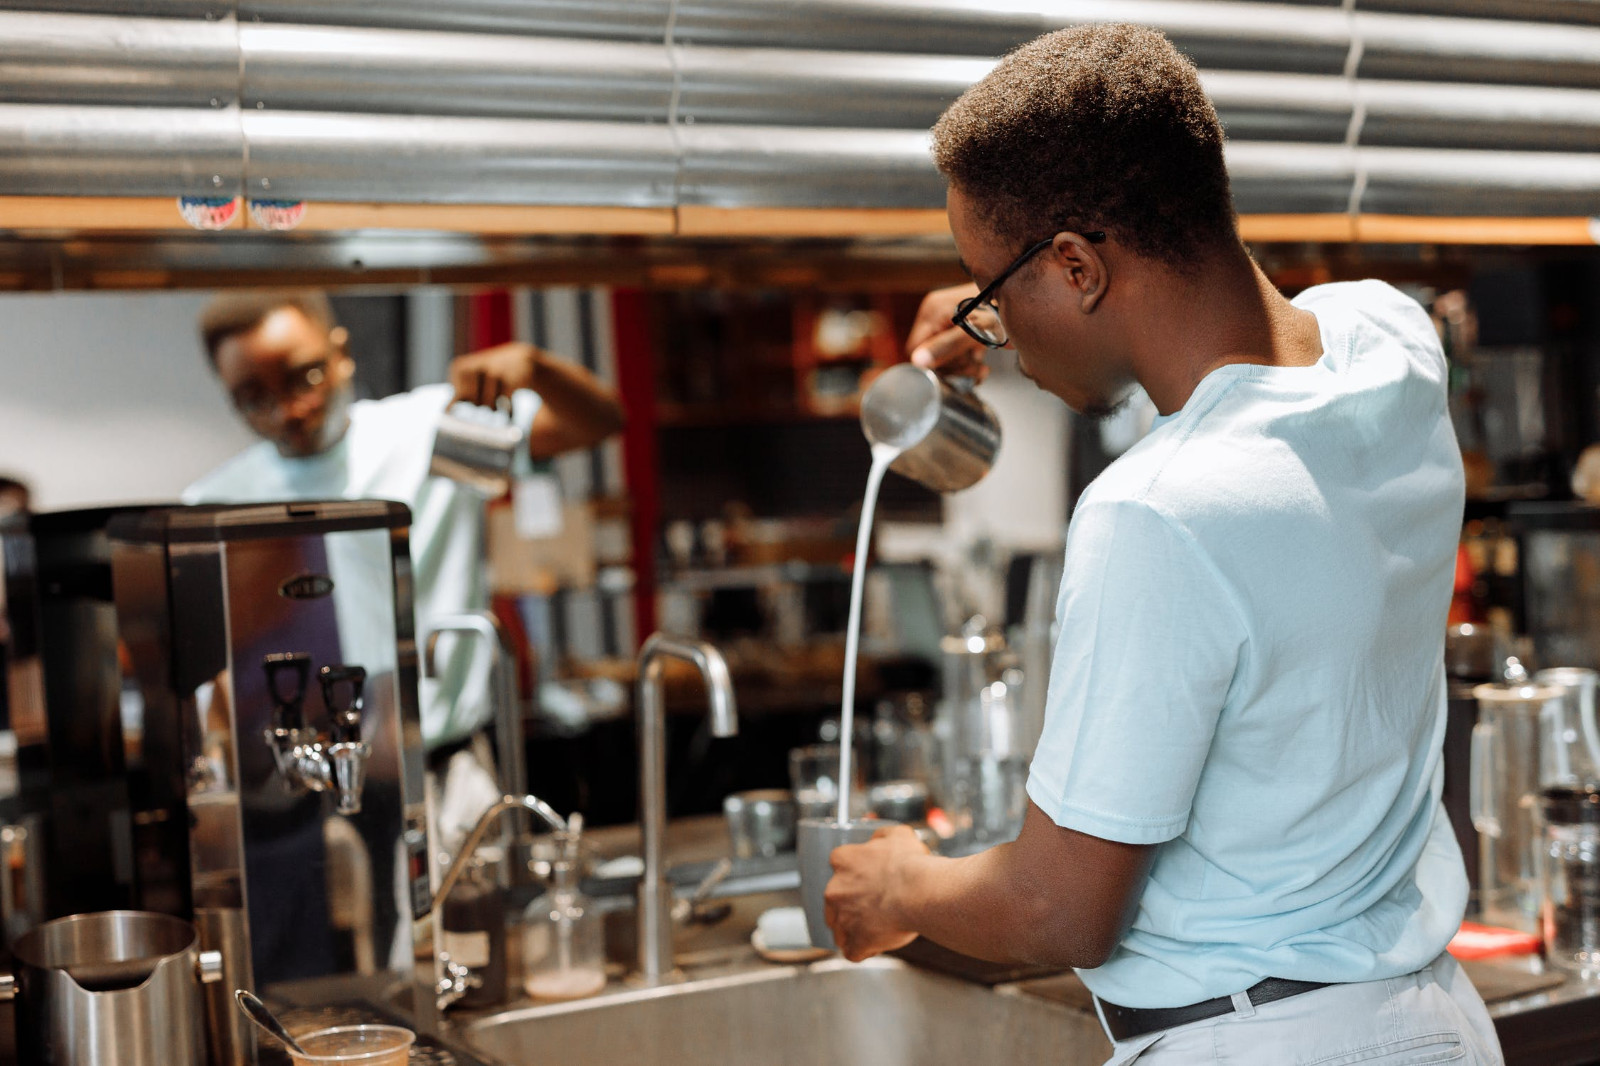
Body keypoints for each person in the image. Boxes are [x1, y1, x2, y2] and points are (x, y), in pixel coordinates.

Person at [821, 24, 1503, 1066]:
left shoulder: (1152, 513)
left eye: (988, 293)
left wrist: (899, 885)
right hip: (1429, 1022)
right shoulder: (1392, 346)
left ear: (1078, 265)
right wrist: (1006, 301)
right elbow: (1241, 385)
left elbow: (1058, 908)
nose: (993, 332)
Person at [184, 290, 624, 754]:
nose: (287, 410)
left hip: (442, 760)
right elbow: (209, 672)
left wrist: (535, 368)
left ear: (342, 353)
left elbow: (598, 422)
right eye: (254, 397)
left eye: (304, 377)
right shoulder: (216, 504)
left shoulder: (429, 433)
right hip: (297, 778)